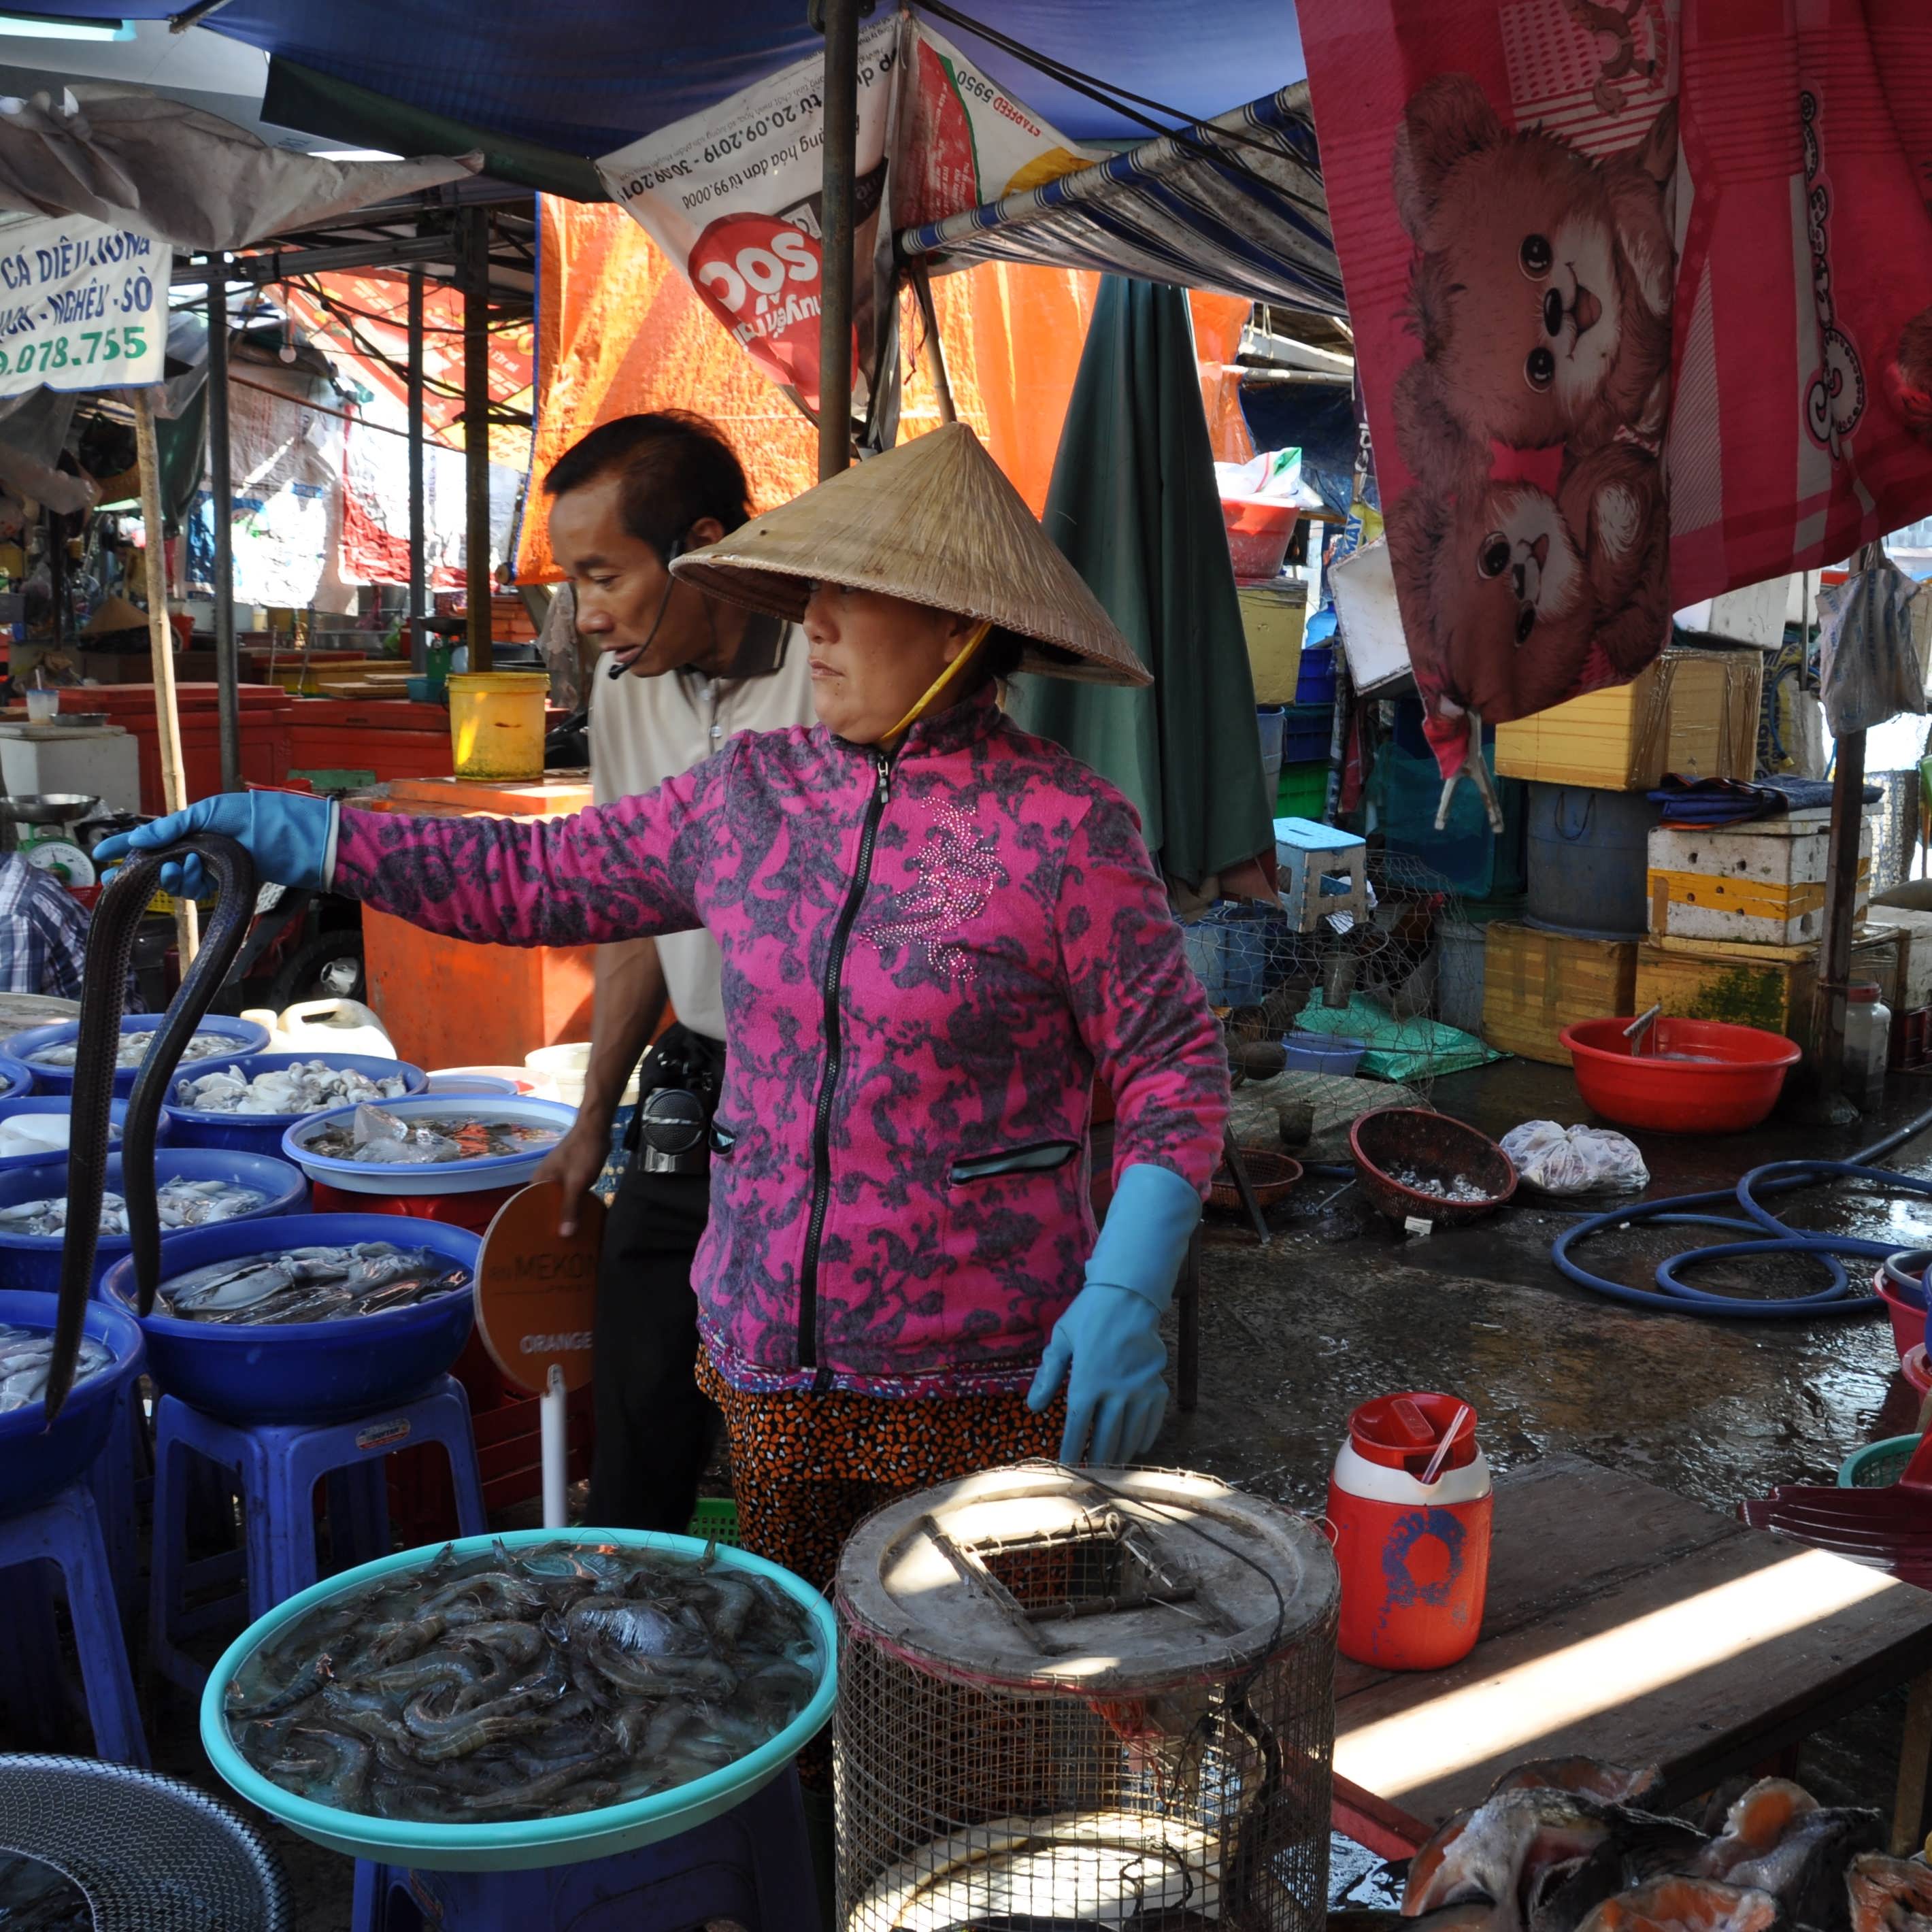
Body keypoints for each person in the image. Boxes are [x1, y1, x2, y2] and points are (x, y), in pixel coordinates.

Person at [97, 421, 1229, 1595]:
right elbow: (529, 878)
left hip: (980, 1366)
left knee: (968, 1689)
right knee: (813, 1664)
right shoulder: (752, 792)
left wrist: (1128, 1286)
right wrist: (312, 837)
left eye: (850, 600)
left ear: (958, 627)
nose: (818, 626)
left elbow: (1174, 1074)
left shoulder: (1067, 829)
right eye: (812, 598)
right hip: (768, 1357)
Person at [532, 411, 816, 1533]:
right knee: (641, 1366)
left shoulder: (836, 664)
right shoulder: (625, 690)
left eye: (603, 574)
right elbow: (633, 911)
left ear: (703, 543)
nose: (586, 614)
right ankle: (634, 1623)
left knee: (796, 1402)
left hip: (828, 1084)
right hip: (699, 1067)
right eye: (572, 580)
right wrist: (593, 1112)